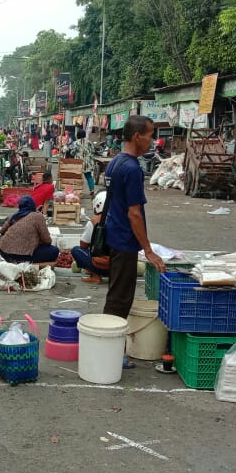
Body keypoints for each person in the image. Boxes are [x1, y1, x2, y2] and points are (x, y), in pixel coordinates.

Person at [103, 115, 165, 333]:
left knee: (116, 292)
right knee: (120, 298)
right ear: (137, 136)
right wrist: (148, 250)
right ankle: (109, 344)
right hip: (124, 240)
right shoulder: (132, 169)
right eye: (150, 136)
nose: (153, 141)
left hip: (114, 235)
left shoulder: (115, 163)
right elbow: (134, 214)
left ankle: (109, 342)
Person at [0, 196, 59, 265]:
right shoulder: (37, 216)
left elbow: (2, 231)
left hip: (3, 252)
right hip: (21, 256)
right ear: (33, 205)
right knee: (54, 251)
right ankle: (22, 262)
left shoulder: (16, 215)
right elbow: (47, 240)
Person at [71, 191, 110, 283]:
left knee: (76, 250)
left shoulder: (94, 221)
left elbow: (83, 245)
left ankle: (95, 276)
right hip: (120, 266)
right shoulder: (121, 220)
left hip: (101, 265)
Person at [73, 130, 97, 194]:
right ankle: (92, 190)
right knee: (89, 176)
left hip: (79, 162)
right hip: (88, 162)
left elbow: (73, 152)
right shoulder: (89, 142)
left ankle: (78, 190)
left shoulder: (76, 143)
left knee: (78, 177)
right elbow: (93, 151)